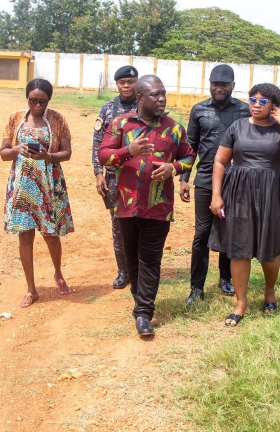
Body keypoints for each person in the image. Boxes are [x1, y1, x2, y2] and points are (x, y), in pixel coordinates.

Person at [98, 75, 195, 337]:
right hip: (126, 203)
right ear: (140, 98)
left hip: (158, 206)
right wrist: (128, 151)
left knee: (151, 260)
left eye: (163, 94)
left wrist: (173, 167)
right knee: (131, 258)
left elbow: (189, 156)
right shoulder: (121, 124)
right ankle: (138, 299)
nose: (161, 99)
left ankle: (144, 313)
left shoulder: (175, 129)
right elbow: (104, 156)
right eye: (155, 95)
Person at [208, 84, 280, 327]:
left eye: (262, 101)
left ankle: (269, 292)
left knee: (269, 248)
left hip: (271, 193)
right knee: (239, 248)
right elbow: (220, 161)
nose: (256, 105)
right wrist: (216, 195)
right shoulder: (237, 127)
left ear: (275, 106)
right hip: (239, 193)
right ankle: (241, 303)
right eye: (253, 100)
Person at [0, 78, 75, 308]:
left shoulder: (58, 119)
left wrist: (48, 156)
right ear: (27, 98)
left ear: (49, 100)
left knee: (51, 234)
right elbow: (3, 153)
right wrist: (16, 149)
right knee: (25, 235)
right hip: (22, 185)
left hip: (48, 183)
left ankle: (58, 273)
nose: (38, 106)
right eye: (33, 101)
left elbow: (67, 153)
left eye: (43, 101)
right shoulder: (15, 119)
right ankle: (31, 289)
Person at [180, 64, 250, 304]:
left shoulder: (244, 111)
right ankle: (196, 287)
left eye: (224, 84)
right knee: (201, 233)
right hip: (205, 179)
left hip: (235, 180)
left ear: (233, 86)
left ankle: (225, 278)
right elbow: (190, 147)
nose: (219, 88)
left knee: (229, 231)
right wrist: (184, 178)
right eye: (215, 84)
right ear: (209, 84)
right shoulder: (199, 110)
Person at [92, 65, 139, 289]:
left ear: (137, 83)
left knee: (141, 223)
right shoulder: (108, 109)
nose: (126, 86)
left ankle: (140, 269)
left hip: (140, 176)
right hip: (114, 178)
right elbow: (97, 143)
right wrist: (98, 173)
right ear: (117, 84)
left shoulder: (145, 105)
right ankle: (124, 271)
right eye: (122, 82)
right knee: (118, 226)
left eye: (130, 82)